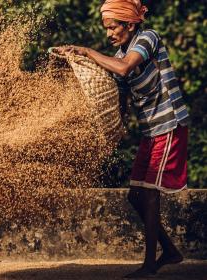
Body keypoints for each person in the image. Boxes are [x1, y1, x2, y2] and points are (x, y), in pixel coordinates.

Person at [52, 0, 189, 278]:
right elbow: (119, 91)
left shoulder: (148, 38)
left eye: (113, 27)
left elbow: (125, 68)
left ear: (130, 24)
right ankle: (171, 252)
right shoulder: (119, 52)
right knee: (135, 195)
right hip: (150, 130)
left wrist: (86, 51)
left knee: (149, 194)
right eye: (107, 29)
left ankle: (150, 265)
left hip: (168, 123)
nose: (109, 34)